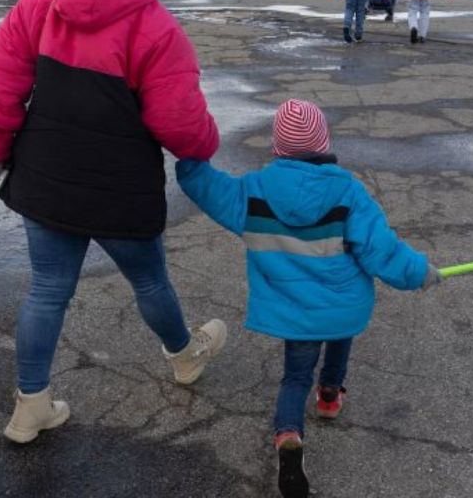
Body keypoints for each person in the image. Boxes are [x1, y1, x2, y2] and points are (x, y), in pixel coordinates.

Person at [0, 0, 227, 444]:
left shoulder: (40, 4)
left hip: (46, 179)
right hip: (119, 189)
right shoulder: (156, 28)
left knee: (47, 290)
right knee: (150, 281)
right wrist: (205, 146)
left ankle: (29, 404)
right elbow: (178, 122)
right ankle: (184, 355)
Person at [175, 99, 442, 498]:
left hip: (293, 310)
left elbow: (205, 185)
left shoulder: (253, 192)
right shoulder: (348, 191)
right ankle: (331, 396)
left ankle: (287, 437)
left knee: (295, 376)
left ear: (277, 147)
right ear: (324, 143)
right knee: (339, 334)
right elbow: (380, 249)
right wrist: (419, 272)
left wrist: (187, 155)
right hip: (341, 302)